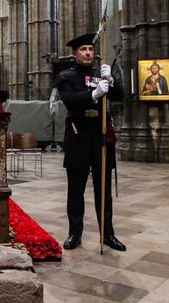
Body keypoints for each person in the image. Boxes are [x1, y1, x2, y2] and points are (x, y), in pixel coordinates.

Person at [53, 32, 126, 252]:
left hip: (101, 136)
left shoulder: (100, 74)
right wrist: (93, 94)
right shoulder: (67, 76)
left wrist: (112, 81)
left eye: (91, 49)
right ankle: (75, 233)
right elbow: (69, 100)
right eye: (83, 50)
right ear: (75, 54)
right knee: (76, 189)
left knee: (103, 189)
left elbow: (120, 96)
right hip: (79, 135)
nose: (88, 53)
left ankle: (108, 234)